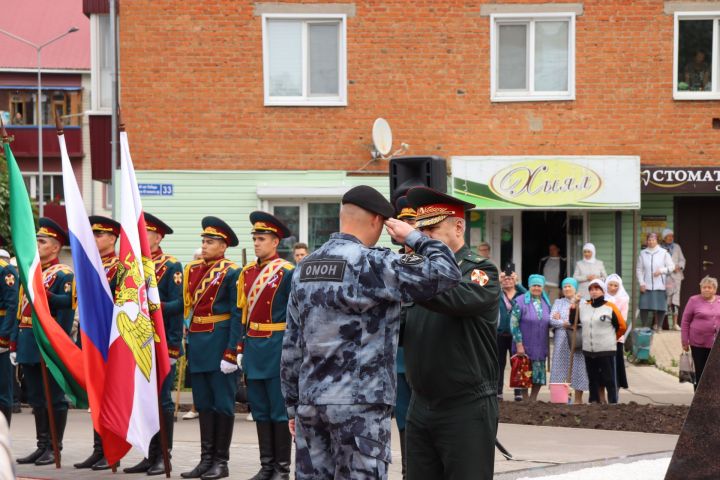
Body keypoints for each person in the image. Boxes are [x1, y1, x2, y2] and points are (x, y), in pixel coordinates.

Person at [281, 185, 461, 480]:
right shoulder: (372, 262)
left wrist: (292, 406)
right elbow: (446, 272)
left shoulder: (305, 267)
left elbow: (291, 344)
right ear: (379, 221)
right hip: (360, 405)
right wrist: (413, 236)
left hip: (311, 403)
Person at [403, 187, 500, 480]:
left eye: (431, 230)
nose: (423, 238)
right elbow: (399, 329)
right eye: (419, 231)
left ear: (458, 227)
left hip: (465, 407)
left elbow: (452, 298)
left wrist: (407, 273)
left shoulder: (479, 272)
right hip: (420, 405)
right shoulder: (419, 274)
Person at [123, 213, 184, 476]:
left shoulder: (171, 266)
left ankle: (163, 455)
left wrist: (153, 309)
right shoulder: (133, 266)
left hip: (160, 343)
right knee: (144, 401)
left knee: (162, 401)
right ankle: (149, 454)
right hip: (138, 341)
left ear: (157, 238)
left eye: (145, 233)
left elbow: (179, 305)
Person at [181, 217, 241, 480]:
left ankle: (221, 461)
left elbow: (237, 314)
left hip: (219, 344)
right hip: (198, 342)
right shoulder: (192, 269)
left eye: (210, 242)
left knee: (222, 405)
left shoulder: (232, 272)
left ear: (223, 245)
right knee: (203, 404)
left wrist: (232, 350)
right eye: (203, 241)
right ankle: (206, 460)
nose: (204, 246)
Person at [237, 212, 294, 480]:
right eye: (255, 239)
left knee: (278, 409)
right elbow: (242, 314)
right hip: (254, 346)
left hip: (277, 346)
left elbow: (296, 315)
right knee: (259, 409)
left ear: (275, 242)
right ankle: (266, 465)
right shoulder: (246, 273)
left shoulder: (287, 272)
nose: (257, 243)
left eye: (262, 239)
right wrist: (239, 348)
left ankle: (281, 468)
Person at [14, 218, 75, 466]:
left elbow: (66, 311)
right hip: (28, 340)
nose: (37, 245)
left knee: (55, 397)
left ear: (55, 247)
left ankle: (54, 447)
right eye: (37, 240)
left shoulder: (63, 274)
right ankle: (41, 445)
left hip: (50, 344)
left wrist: (57, 344)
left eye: (42, 241)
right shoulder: (32, 272)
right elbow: (22, 310)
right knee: (37, 398)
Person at [75, 215, 121, 470]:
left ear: (112, 238)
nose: (93, 239)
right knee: (96, 397)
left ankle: (110, 451)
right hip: (91, 338)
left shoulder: (120, 267)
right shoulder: (91, 266)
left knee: (109, 397)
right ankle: (98, 449)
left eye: (99, 235)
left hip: (109, 339)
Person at [573, 279, 626, 404]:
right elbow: (573, 321)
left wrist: (612, 338)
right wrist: (574, 305)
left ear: (603, 291)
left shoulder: (610, 307)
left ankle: (613, 402)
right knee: (592, 378)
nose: (594, 292)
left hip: (606, 349)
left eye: (597, 289)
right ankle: (594, 401)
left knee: (609, 378)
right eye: (591, 289)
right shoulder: (584, 306)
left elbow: (622, 326)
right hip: (589, 349)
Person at [393, 195, 416, 479]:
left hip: (427, 354)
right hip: (397, 356)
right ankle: (408, 471)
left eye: (412, 222)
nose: (408, 227)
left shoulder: (434, 262)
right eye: (404, 222)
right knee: (403, 417)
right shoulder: (389, 262)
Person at [511, 274, 551, 402]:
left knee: (538, 374)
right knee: (524, 373)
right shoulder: (520, 301)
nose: (536, 288)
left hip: (540, 345)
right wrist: (519, 344)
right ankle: (525, 398)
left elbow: (549, 322)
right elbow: (514, 324)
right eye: (534, 285)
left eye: (539, 286)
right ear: (529, 286)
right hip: (525, 344)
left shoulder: (546, 303)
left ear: (542, 287)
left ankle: (533, 400)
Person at [549, 278, 588, 404]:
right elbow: (552, 320)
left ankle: (578, 399)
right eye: (564, 286)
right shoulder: (558, 302)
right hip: (561, 340)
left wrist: (563, 321)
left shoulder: (582, 303)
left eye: (569, 286)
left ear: (575, 288)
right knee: (560, 367)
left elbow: (582, 320)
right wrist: (564, 323)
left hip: (577, 340)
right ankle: (561, 399)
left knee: (578, 367)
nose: (566, 289)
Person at [681, 276, 720, 391]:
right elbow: (685, 321)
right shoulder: (693, 300)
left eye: (709, 287)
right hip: (698, 343)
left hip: (716, 344)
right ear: (700, 288)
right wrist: (684, 340)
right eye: (704, 287)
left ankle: (711, 396)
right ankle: (698, 396)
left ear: (715, 289)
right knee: (699, 370)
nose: (706, 289)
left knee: (714, 371)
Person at [497, 270, 526, 402]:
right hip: (500, 333)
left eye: (510, 278)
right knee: (499, 363)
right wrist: (497, 280)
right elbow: (486, 290)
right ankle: (498, 391)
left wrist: (518, 283)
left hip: (516, 335)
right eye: (505, 278)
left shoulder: (520, 294)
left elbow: (528, 295)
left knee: (516, 363)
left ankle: (518, 392)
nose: (507, 280)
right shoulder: (497, 293)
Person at [637, 232, 674, 332]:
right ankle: (644, 326)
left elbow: (671, 267)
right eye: (649, 240)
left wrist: (661, 271)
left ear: (657, 240)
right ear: (646, 241)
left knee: (661, 307)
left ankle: (659, 327)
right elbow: (639, 269)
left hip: (660, 285)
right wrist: (641, 283)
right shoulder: (643, 253)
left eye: (653, 239)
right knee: (643, 307)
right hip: (646, 285)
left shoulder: (664, 252)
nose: (651, 242)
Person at [0, 249, 18, 425]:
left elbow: (12, 306)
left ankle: (3, 435)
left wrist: (4, 336)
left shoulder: (5, 269)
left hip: (0, 329)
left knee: (2, 389)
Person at [606, 273, 630, 397]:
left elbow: (623, 319)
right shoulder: (602, 298)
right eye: (610, 285)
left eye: (616, 285)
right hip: (602, 339)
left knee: (617, 365)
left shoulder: (623, 299)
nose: (613, 288)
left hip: (617, 337)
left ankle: (616, 391)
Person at [661, 229, 686, 330]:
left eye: (672, 236)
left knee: (675, 300)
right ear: (664, 238)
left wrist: (679, 267)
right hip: (665, 277)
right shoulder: (660, 248)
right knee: (665, 299)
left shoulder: (677, 247)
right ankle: (663, 324)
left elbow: (682, 260)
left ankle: (675, 324)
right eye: (668, 236)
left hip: (676, 276)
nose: (671, 238)